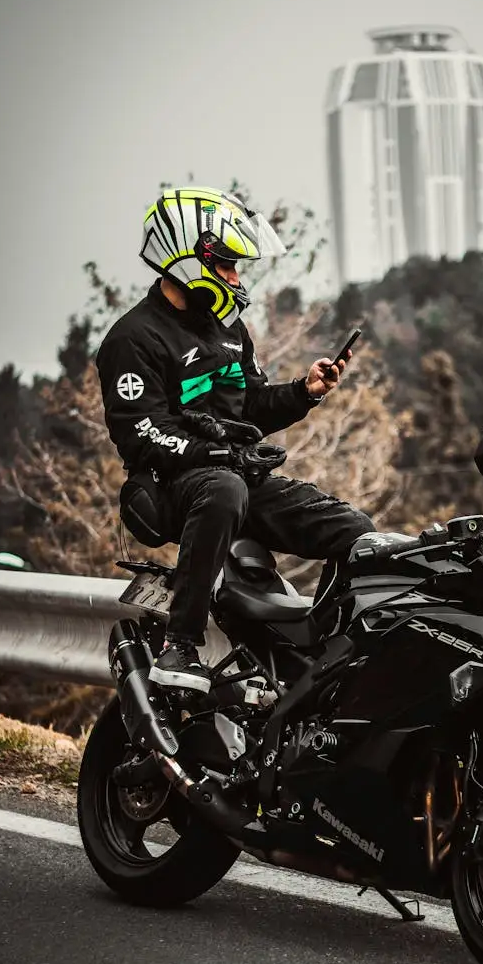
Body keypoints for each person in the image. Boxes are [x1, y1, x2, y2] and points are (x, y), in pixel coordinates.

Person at [96, 186, 373, 693]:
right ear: (185, 257)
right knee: (225, 488)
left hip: (237, 477)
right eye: (226, 264)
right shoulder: (132, 338)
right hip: (172, 487)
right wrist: (216, 453)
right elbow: (140, 433)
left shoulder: (230, 330)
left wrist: (304, 392)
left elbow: (248, 408)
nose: (235, 277)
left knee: (356, 529)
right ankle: (179, 646)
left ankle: (328, 656)